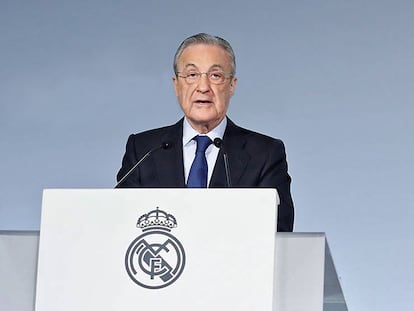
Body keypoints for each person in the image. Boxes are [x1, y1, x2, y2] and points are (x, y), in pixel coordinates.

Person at [117, 33, 294, 232]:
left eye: (215, 76)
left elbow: (278, 232)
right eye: (192, 75)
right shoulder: (143, 149)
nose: (203, 87)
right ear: (176, 84)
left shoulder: (265, 153)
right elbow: (120, 223)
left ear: (232, 85)